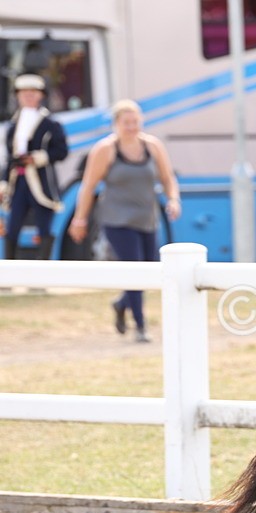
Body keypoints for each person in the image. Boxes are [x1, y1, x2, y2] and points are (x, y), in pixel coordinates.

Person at [69, 99, 181, 343]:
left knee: (149, 271)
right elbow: (88, 186)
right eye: (126, 122)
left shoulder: (152, 146)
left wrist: (173, 200)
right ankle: (140, 326)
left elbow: (167, 178)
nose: (131, 126)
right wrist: (80, 218)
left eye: (135, 121)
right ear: (116, 124)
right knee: (135, 267)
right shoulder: (105, 149)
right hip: (116, 219)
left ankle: (121, 304)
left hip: (146, 218)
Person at [2, 73, 69, 261]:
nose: (28, 96)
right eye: (24, 92)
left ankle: (42, 274)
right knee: (13, 226)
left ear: (41, 95)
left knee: (43, 227)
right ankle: (9, 273)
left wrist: (38, 158)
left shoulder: (50, 124)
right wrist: (5, 182)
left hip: (40, 180)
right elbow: (10, 157)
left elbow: (61, 151)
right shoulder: (13, 125)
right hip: (19, 180)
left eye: (33, 92)